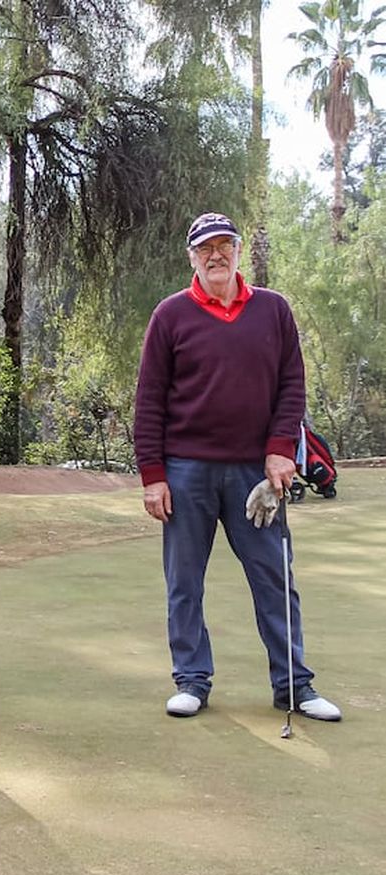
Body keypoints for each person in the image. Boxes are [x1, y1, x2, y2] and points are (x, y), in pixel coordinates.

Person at [134, 211, 341, 722]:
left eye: (224, 245)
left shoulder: (273, 310)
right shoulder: (171, 315)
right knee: (185, 581)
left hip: (256, 471)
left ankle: (294, 685)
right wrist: (153, 475)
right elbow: (149, 400)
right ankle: (191, 680)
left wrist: (279, 450)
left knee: (273, 577)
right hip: (186, 471)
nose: (216, 255)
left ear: (238, 250)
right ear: (192, 258)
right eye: (205, 248)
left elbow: (292, 386)